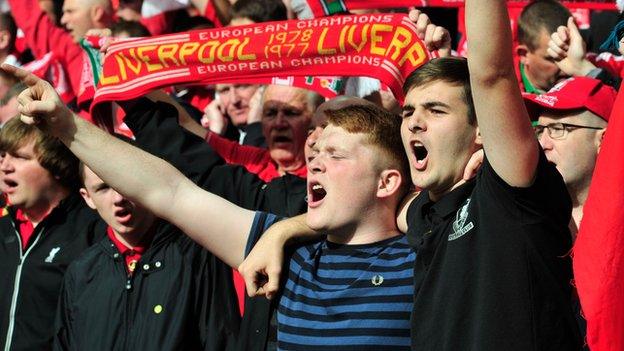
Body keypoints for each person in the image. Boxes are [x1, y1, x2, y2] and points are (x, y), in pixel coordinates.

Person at [4, 61, 419, 349]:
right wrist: (64, 124)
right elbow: (168, 191)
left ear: (387, 182)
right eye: (315, 150)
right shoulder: (285, 255)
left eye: (336, 155)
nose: (314, 162)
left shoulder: (430, 260)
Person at [54, 158, 240, 351]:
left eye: (123, 183)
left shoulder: (195, 257)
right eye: (103, 188)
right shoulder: (80, 272)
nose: (118, 198)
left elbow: (221, 340)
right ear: (87, 198)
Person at [0, 117, 102, 350]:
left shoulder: (91, 229)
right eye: (3, 155)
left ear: (56, 165)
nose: (5, 165)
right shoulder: (3, 226)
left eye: (19, 157)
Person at [524, 76, 614, 238]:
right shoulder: (524, 206)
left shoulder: (617, 223)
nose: (543, 144)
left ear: (604, 140)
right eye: (539, 131)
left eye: (558, 129)